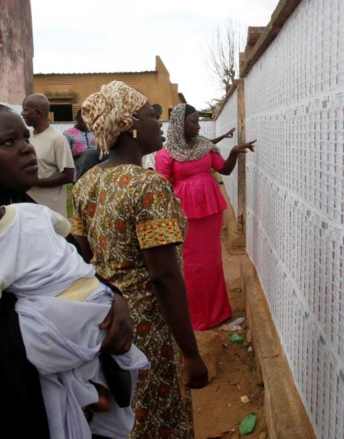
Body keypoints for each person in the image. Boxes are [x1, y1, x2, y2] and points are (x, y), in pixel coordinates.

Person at [0, 102, 135, 439]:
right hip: (12, 415)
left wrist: (110, 297)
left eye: (25, 138)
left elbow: (73, 268)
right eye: (7, 142)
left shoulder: (26, 213)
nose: (26, 150)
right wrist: (80, 326)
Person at [72, 81, 210, 438]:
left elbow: (85, 251)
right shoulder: (147, 186)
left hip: (106, 318)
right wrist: (191, 354)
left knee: (126, 415)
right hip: (146, 324)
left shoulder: (86, 183)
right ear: (130, 125)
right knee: (155, 416)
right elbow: (164, 277)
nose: (160, 124)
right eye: (152, 115)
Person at [155, 103, 256, 331]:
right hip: (185, 217)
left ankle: (218, 314)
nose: (198, 126)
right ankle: (195, 317)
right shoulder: (166, 154)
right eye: (193, 122)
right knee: (192, 267)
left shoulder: (206, 147)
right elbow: (162, 189)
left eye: (198, 121)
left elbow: (225, 170)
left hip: (209, 214)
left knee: (211, 264)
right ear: (180, 125)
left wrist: (233, 153)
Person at [21, 93, 75, 217]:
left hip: (50, 211)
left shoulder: (57, 139)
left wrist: (35, 182)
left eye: (25, 110)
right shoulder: (26, 136)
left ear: (38, 113)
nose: (22, 114)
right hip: (28, 208)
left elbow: (68, 175)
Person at [64, 109, 104, 179]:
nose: (85, 123)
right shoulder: (67, 134)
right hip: (77, 170)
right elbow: (65, 155)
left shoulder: (95, 133)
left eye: (88, 120)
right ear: (76, 119)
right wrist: (84, 153)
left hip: (94, 169)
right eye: (82, 120)